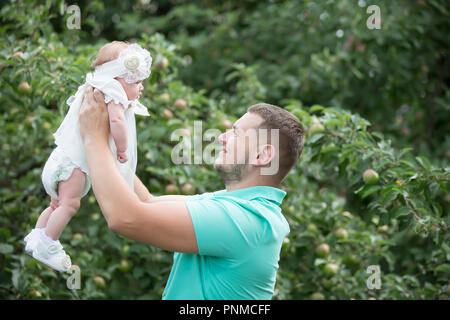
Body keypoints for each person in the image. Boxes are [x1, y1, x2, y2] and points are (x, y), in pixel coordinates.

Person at [79, 88, 305, 299]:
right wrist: (107, 142)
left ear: (262, 156)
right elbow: (144, 201)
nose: (222, 137)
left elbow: (126, 218)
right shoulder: (226, 204)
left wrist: (93, 137)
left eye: (235, 134)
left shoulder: (249, 220)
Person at [23, 41, 152, 272]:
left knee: (55, 205)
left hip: (59, 158)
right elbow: (117, 121)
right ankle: (49, 243)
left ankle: (36, 235)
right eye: (138, 82)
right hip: (73, 168)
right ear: (119, 79)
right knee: (69, 205)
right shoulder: (113, 91)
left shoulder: (93, 85)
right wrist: (122, 148)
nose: (141, 88)